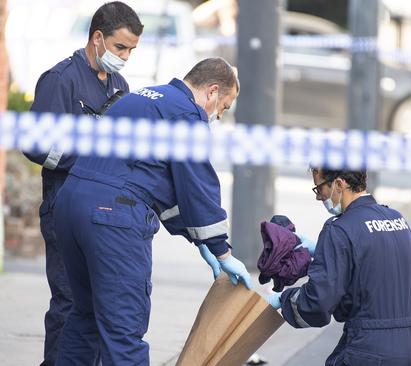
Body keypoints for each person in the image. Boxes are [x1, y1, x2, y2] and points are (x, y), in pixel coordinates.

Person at [53, 57, 252, 365]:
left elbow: (160, 188)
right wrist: (221, 251)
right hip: (112, 217)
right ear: (212, 91)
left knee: (86, 316)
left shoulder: (144, 97)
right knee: (124, 330)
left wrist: (200, 240)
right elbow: (197, 185)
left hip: (71, 204)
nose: (219, 116)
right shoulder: (187, 114)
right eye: (224, 107)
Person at [23, 3, 143, 365]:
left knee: (99, 304)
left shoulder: (120, 84)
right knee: (70, 301)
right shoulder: (61, 80)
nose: (125, 57)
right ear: (97, 38)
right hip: (64, 207)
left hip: (104, 216)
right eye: (120, 48)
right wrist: (88, 159)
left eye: (131, 51)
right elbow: (35, 144)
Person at [266, 168, 411, 365]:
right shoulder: (396, 218)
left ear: (339, 184)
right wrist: (323, 252)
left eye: (319, 189)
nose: (319, 198)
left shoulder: (339, 229)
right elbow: (375, 266)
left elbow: (317, 302)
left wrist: (282, 300)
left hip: (369, 351)